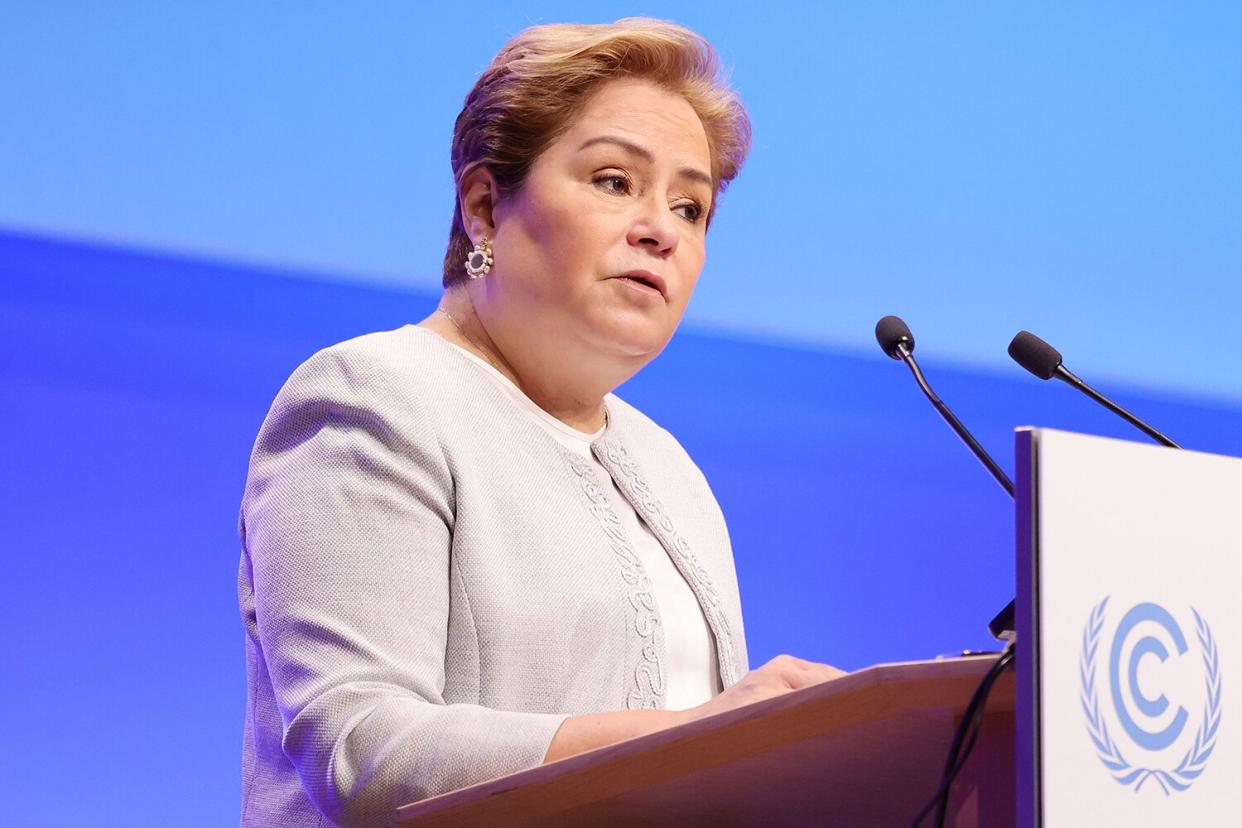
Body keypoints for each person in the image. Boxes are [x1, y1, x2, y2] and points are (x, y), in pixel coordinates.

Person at [237, 17, 844, 828]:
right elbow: (360, 750)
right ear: (486, 207)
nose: (660, 229)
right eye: (614, 181)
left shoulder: (669, 471)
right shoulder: (375, 397)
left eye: (691, 207)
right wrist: (701, 734)